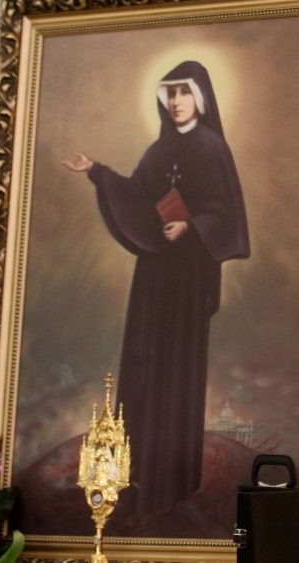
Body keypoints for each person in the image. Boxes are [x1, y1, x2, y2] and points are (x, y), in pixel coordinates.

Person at [62, 60, 250, 516]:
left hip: (188, 279)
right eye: (170, 93)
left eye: (183, 92)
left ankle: (173, 483)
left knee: (177, 371)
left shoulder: (212, 148)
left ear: (199, 97)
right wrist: (97, 172)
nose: (176, 101)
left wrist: (191, 227)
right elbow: (135, 194)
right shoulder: (160, 148)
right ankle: (138, 474)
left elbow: (225, 213)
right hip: (154, 278)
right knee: (146, 365)